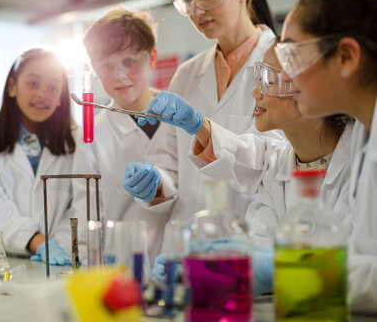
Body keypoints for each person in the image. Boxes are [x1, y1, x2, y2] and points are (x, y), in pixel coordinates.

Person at [149, 42, 354, 296]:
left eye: (268, 79)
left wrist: (281, 268)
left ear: (313, 87)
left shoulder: (360, 162)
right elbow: (259, 250)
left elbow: (361, 270)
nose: (255, 92)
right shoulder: (279, 169)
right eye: (258, 77)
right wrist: (203, 273)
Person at [123, 0, 285, 225]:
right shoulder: (187, 73)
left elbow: (276, 156)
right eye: (187, 0)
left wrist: (203, 129)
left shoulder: (279, 64)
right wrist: (155, 182)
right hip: (187, 239)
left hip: (248, 238)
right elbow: (168, 160)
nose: (197, 10)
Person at [276, 0, 377, 312]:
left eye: (292, 56)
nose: (286, 75)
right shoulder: (364, 132)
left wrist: (307, 270)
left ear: (346, 57)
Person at [0, 47, 77, 266]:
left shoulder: (75, 141)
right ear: (12, 87)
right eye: (33, 83)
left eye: (53, 87)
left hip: (61, 260)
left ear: (61, 98)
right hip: (6, 264)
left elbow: (78, 206)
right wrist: (40, 243)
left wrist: (60, 245)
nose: (42, 95)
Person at [77, 7, 172, 262]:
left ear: (151, 58)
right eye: (106, 66)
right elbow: (87, 215)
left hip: (183, 262)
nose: (119, 76)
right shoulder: (91, 135)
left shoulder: (181, 118)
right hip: (122, 267)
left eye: (129, 61)